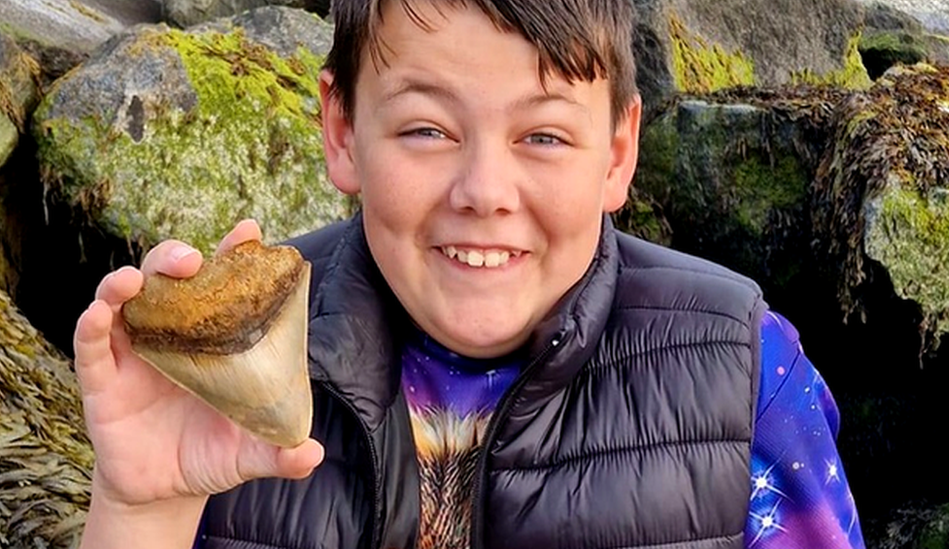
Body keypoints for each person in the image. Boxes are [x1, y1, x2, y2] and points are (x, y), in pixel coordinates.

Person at [72, 0, 866, 548]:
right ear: (343, 128)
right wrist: (141, 507)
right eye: (427, 128)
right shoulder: (219, 382)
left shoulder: (744, 375)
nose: (484, 191)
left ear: (619, 152)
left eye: (545, 136)